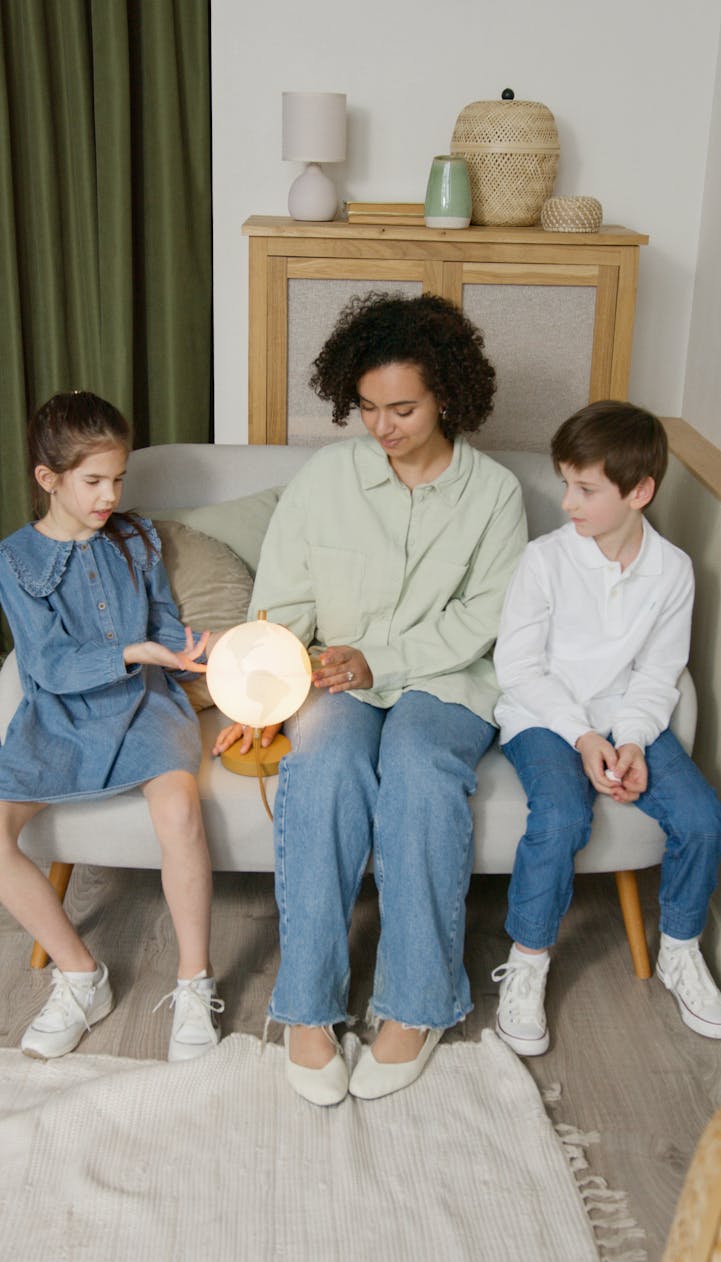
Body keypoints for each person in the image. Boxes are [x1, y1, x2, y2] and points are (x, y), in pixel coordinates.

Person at [214, 291, 527, 1105]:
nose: (381, 426)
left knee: (421, 767)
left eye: (402, 408)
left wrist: (378, 658)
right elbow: (280, 605)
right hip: (331, 677)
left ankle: (416, 1005)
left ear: (448, 396)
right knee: (320, 767)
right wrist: (268, 695)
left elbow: (484, 618)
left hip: (447, 680)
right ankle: (310, 1009)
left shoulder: (493, 495)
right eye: (366, 408)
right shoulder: (325, 479)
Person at [492, 399, 721, 1056]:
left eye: (585, 488)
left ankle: (681, 949)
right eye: (566, 482)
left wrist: (629, 739)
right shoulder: (544, 560)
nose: (567, 500)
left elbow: (660, 674)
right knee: (563, 816)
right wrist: (583, 736)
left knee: (705, 817)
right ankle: (529, 959)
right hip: (543, 715)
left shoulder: (673, 572)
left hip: (628, 716)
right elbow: (517, 667)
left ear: (640, 491)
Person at [0, 391, 224, 1062]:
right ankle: (79, 974)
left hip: (146, 706)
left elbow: (159, 623)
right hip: (61, 716)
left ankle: (193, 981)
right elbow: (46, 663)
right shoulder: (14, 559)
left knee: (182, 811)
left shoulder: (137, 537)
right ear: (49, 479)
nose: (110, 494)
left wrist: (195, 650)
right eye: (94, 480)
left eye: (118, 478)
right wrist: (129, 651)